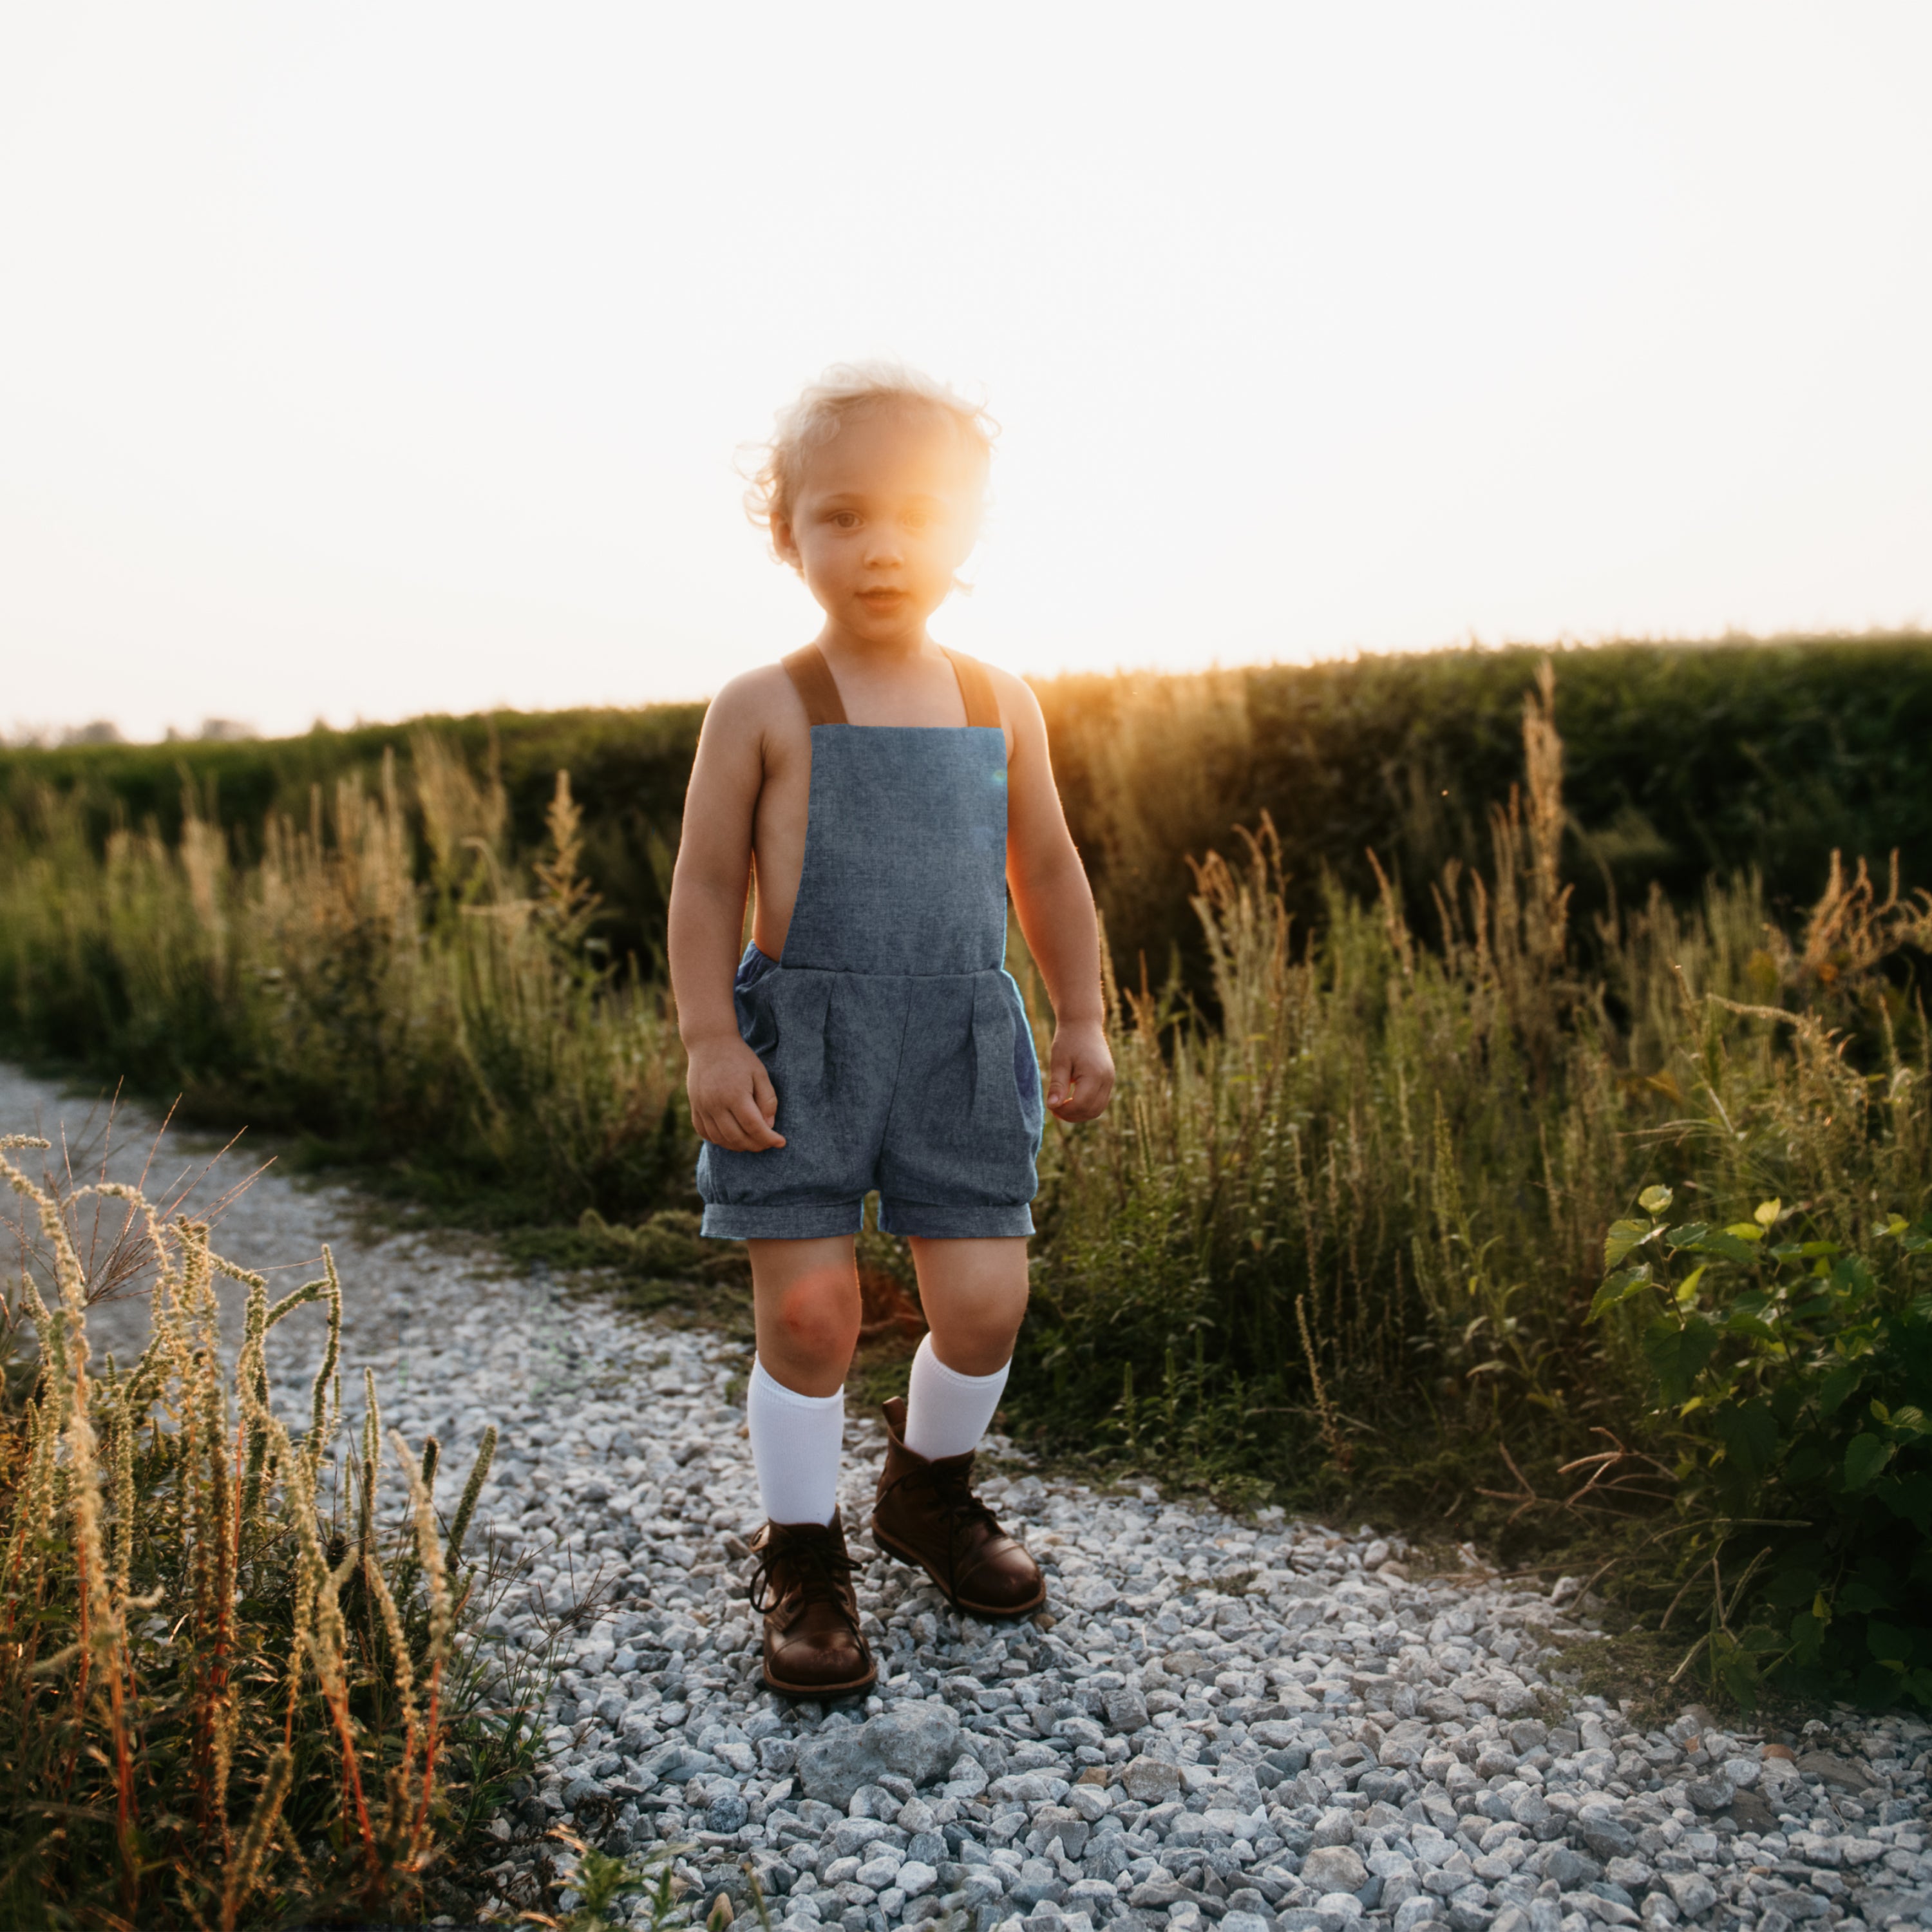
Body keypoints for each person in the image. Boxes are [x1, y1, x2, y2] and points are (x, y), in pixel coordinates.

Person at [666, 362, 1115, 1698]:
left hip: (961, 1039)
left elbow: (1048, 865)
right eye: (843, 516)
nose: (882, 547)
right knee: (809, 1320)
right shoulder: (765, 702)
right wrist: (708, 1039)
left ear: (969, 529)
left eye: (918, 514)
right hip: (801, 1042)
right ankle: (804, 1555)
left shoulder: (998, 701)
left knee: (984, 1305)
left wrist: (1082, 1012)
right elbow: (701, 882)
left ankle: (927, 1496)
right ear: (789, 532)